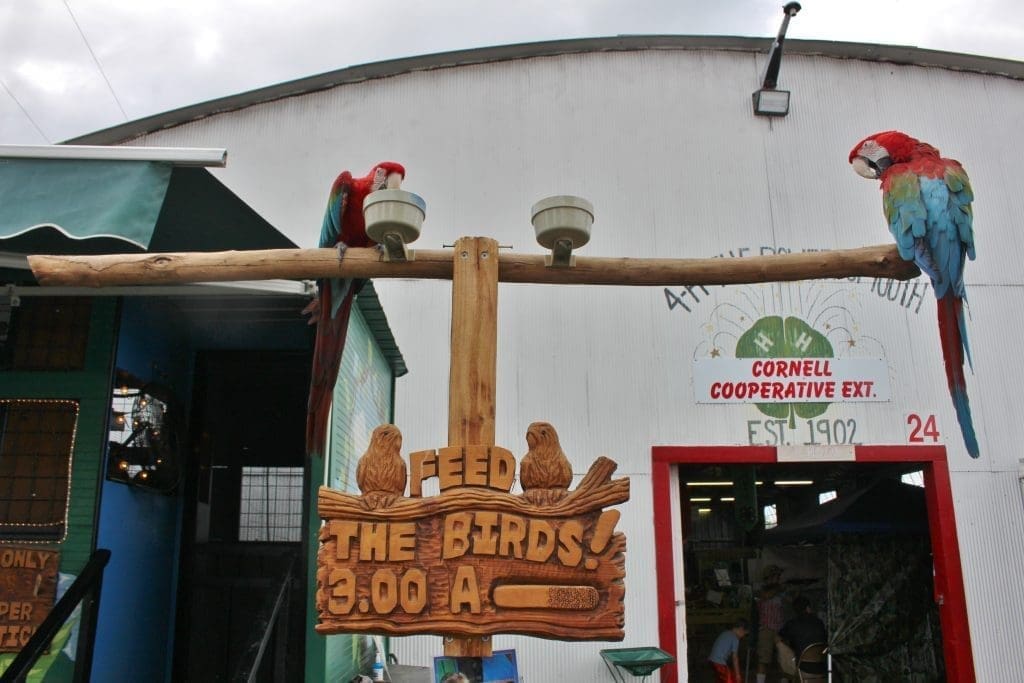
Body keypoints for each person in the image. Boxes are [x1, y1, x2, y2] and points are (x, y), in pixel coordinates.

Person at [777, 595, 828, 679]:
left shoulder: (792, 624)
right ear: (808, 608)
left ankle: (785, 679)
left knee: (778, 643)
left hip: (802, 667)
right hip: (821, 666)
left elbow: (779, 637)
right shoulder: (819, 622)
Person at [755, 565, 785, 683]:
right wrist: (779, 588)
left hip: (780, 629)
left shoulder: (779, 590)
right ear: (770, 577)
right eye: (776, 576)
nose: (778, 578)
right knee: (763, 659)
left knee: (783, 658)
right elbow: (766, 595)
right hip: (766, 629)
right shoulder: (761, 590)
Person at [708, 618, 749, 683]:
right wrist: (738, 675)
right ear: (741, 629)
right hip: (719, 662)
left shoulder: (725, 633)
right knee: (732, 680)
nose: (743, 636)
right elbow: (735, 658)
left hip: (712, 660)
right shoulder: (735, 638)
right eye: (745, 634)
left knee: (722, 679)